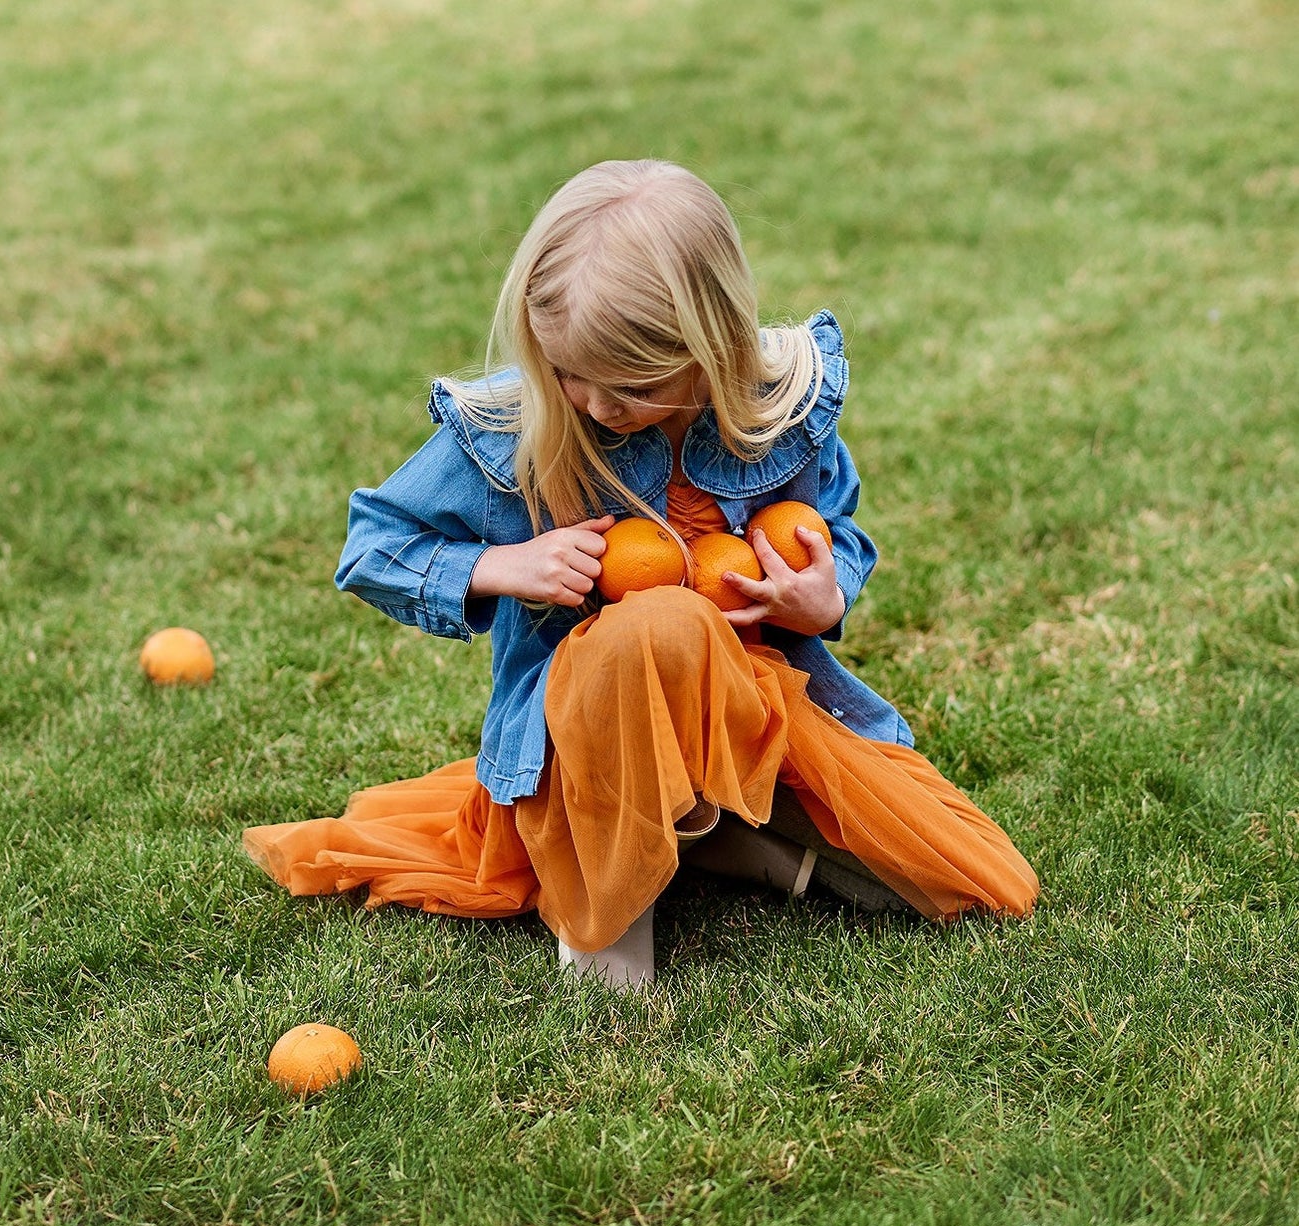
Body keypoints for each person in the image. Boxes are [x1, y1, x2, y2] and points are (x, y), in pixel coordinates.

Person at [242, 159, 1038, 989]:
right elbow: (371, 547)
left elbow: (833, 526)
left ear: (709, 345)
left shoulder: (778, 409)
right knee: (658, 624)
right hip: (582, 749)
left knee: (981, 883)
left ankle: (714, 828)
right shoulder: (523, 428)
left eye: (625, 385)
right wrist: (501, 564)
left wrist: (822, 592)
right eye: (565, 371)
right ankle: (606, 912)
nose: (588, 402)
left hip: (750, 712)